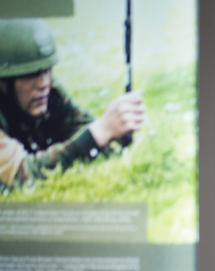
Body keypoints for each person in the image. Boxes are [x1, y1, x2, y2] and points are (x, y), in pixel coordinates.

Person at [0, 18, 146, 195]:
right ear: (4, 82)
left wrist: (118, 134)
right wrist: (98, 132)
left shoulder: (50, 94)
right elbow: (23, 176)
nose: (44, 83)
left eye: (47, 70)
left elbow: (81, 130)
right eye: (31, 74)